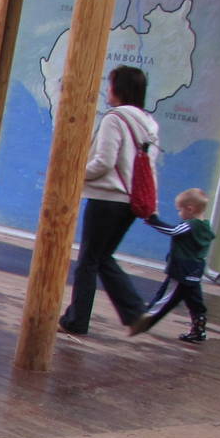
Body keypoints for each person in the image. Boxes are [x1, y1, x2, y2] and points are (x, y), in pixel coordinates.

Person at [57, 65, 158, 336]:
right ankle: (135, 312)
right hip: (130, 202)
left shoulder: (115, 118)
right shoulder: (149, 122)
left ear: (119, 89)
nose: (107, 90)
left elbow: (103, 162)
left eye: (111, 84)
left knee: (89, 260)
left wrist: (74, 173)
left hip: (107, 198)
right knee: (103, 257)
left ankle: (77, 320)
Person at [129, 188, 215, 342]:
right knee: (195, 302)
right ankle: (199, 331)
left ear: (190, 209)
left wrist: (153, 220)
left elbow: (173, 231)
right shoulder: (205, 227)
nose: (179, 214)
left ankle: (144, 321)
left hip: (181, 270)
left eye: (179, 210)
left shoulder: (190, 225)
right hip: (195, 270)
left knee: (165, 297)